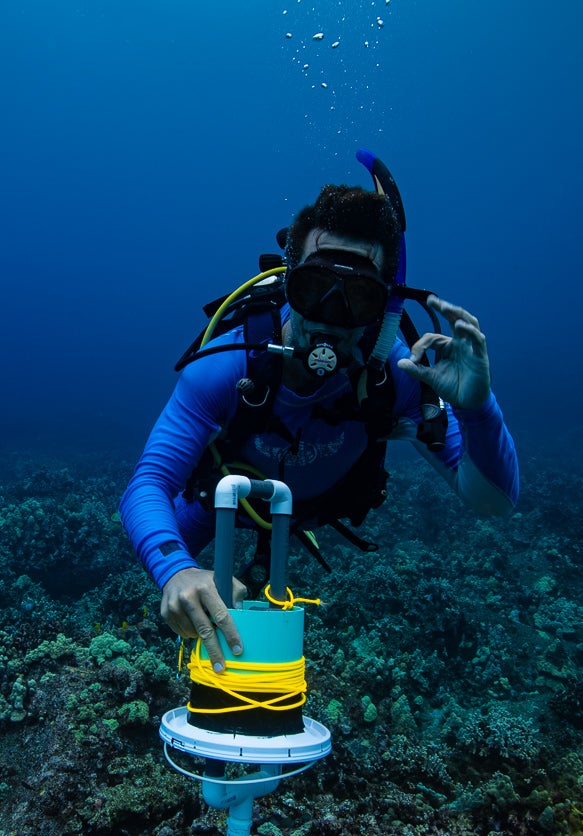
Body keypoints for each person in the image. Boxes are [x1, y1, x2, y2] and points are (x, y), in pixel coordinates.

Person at [119, 173, 519, 675]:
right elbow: (148, 484)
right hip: (220, 502)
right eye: (314, 288)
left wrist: (478, 408)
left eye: (358, 296)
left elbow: (495, 502)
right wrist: (176, 571)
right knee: (164, 577)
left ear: (386, 307)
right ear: (290, 283)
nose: (331, 314)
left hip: (321, 507)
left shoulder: (399, 375)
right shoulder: (228, 367)